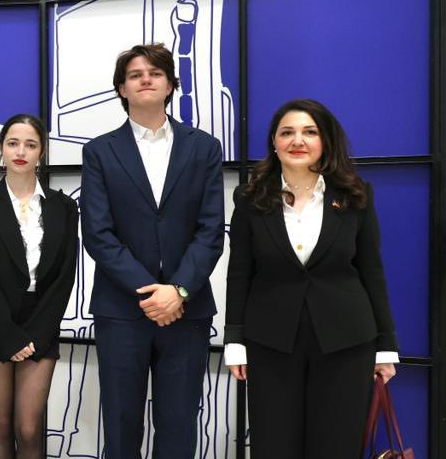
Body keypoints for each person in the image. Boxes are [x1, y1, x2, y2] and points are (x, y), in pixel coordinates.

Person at [224, 98, 398, 457]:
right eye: (287, 132)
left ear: (325, 141)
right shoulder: (250, 197)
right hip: (271, 342)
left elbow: (372, 270)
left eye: (309, 132)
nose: (297, 140)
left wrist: (386, 346)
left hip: (347, 342)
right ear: (274, 142)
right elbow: (239, 273)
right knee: (274, 446)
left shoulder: (355, 194)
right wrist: (234, 341)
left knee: (336, 446)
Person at [79, 43, 224, 459]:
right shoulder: (100, 151)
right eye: (135, 74)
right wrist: (152, 293)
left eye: (155, 73)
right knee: (121, 424)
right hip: (122, 309)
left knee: (179, 425)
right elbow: (98, 234)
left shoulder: (204, 147)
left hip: (187, 309)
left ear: (171, 85)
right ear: (121, 88)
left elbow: (211, 230)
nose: (146, 79)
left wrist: (178, 291)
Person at [0, 114, 79, 459]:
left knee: (29, 429)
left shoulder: (64, 206)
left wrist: (38, 334)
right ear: (1, 148)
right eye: (13, 143)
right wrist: (8, 335)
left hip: (41, 322)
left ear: (42, 151)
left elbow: (65, 275)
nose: (20, 151)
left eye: (30, 144)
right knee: (0, 426)